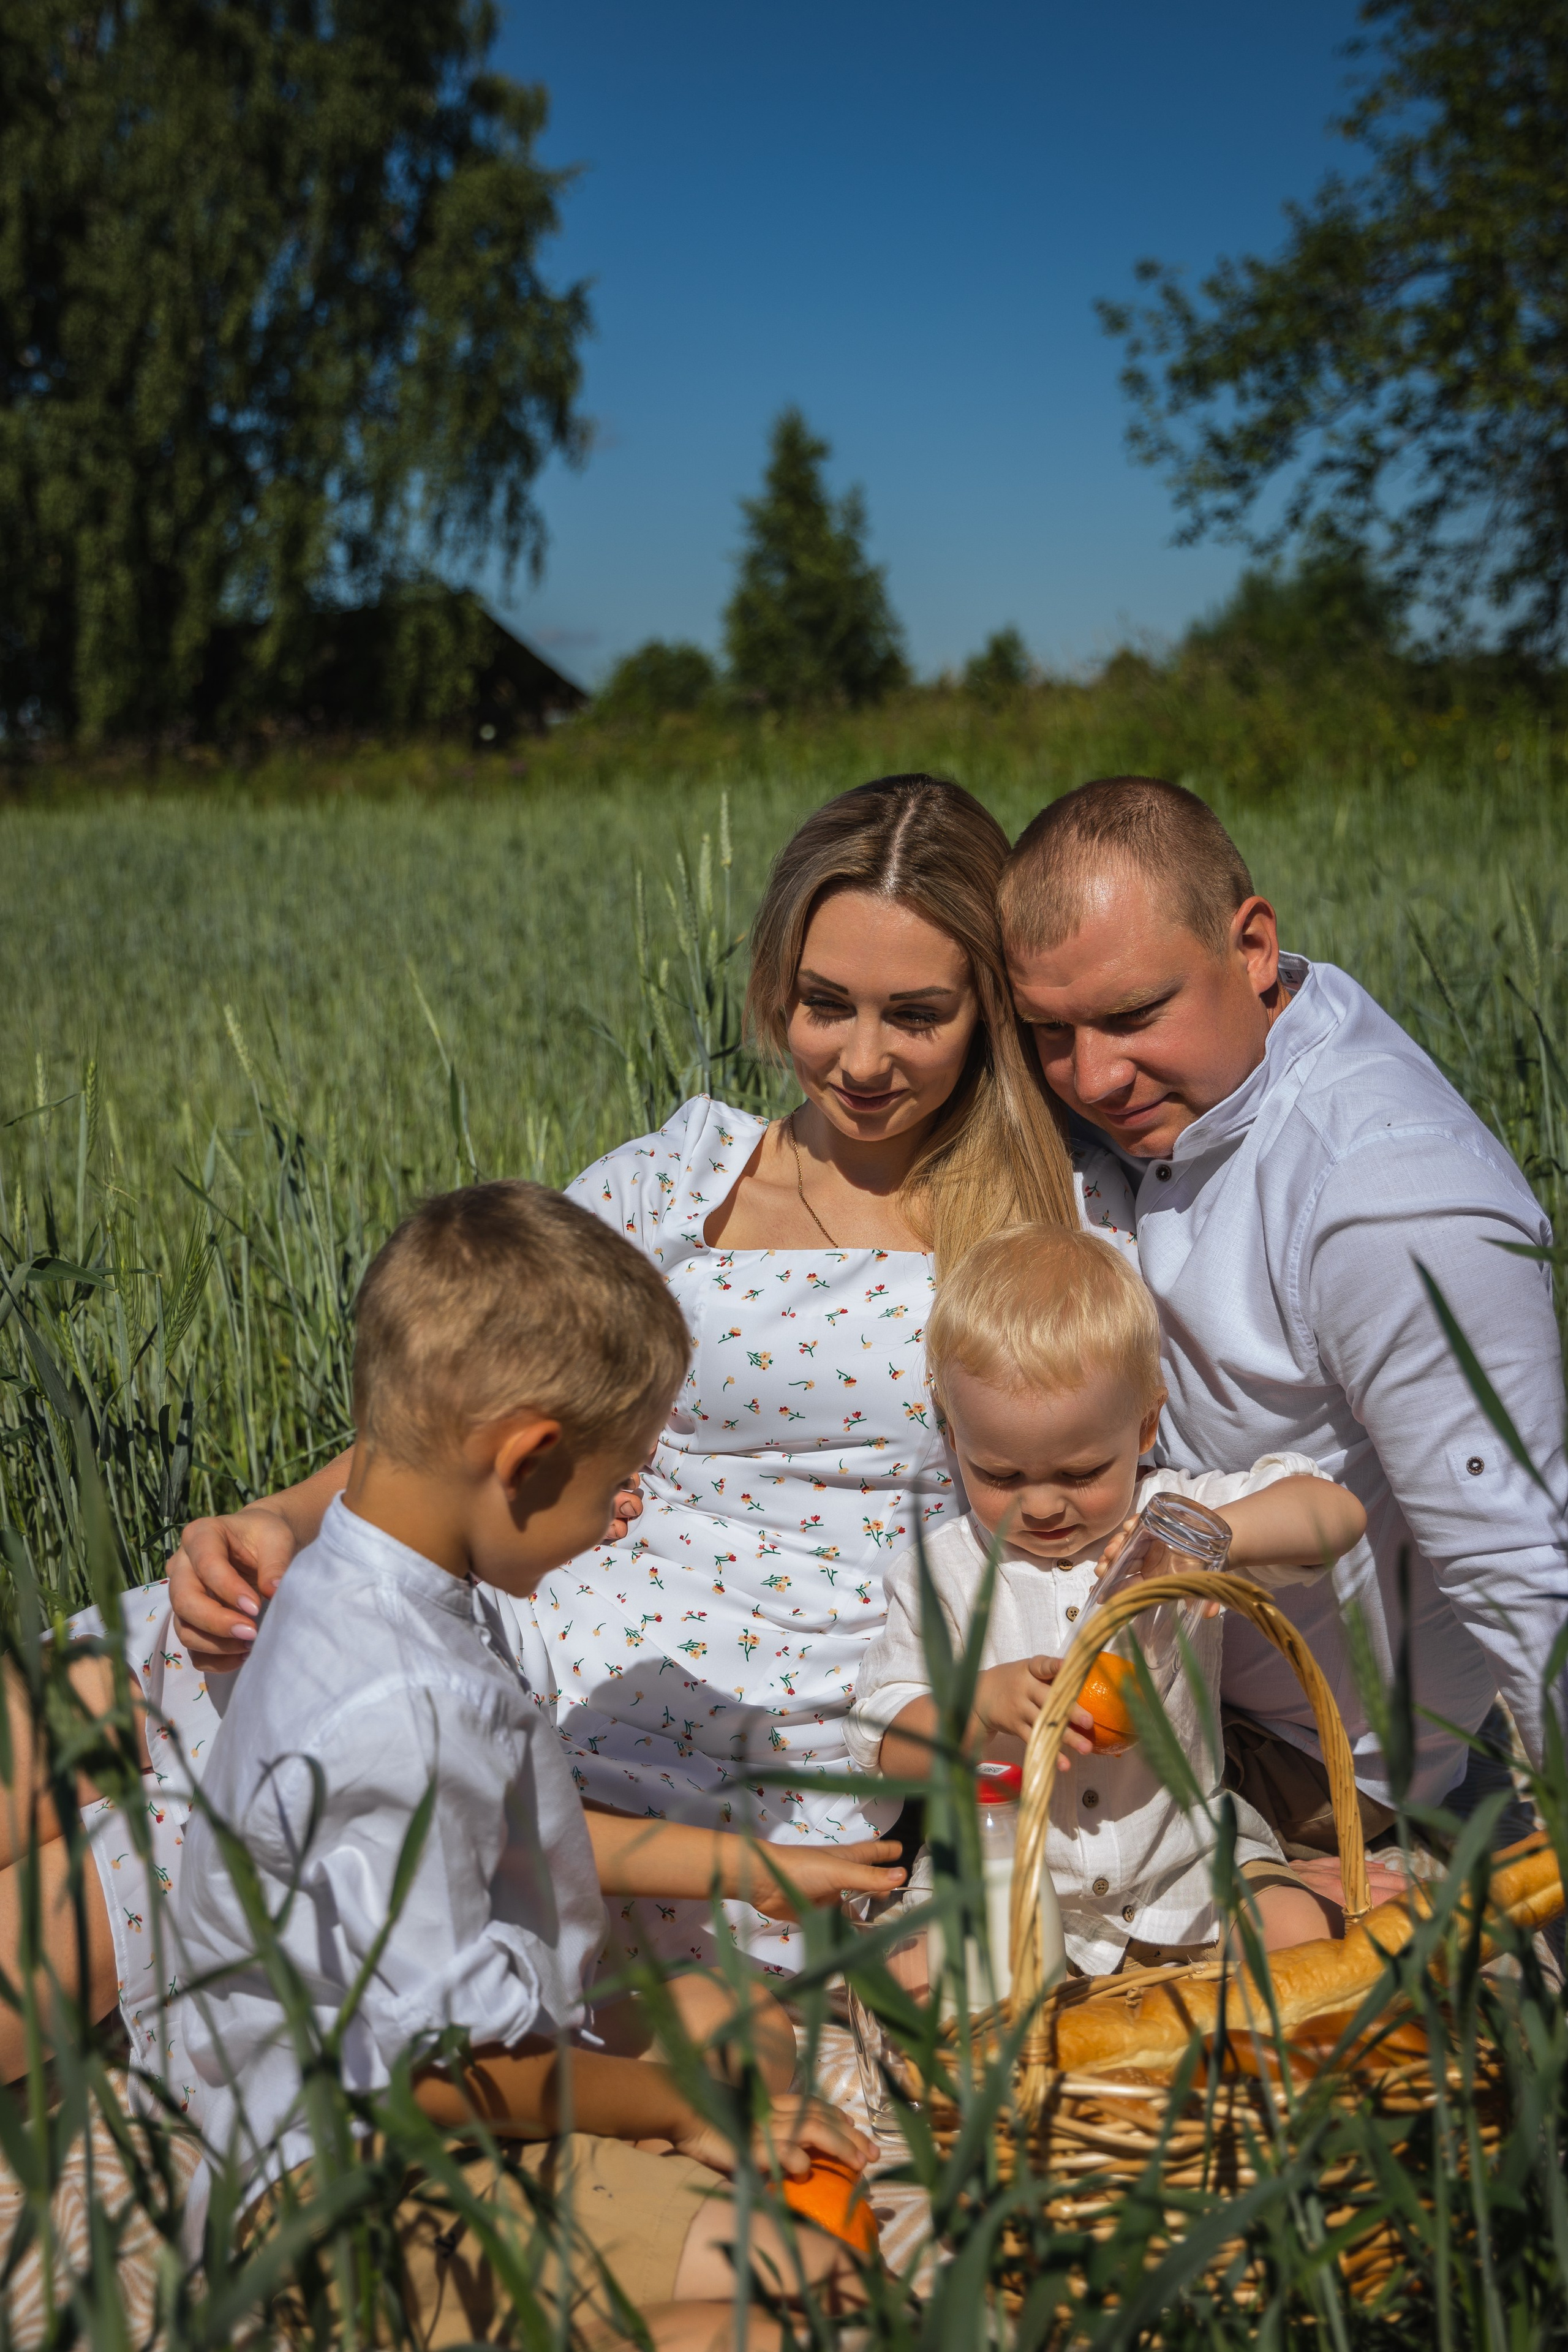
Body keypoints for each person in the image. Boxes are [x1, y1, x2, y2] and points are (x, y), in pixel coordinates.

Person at [164, 775, 1137, 1973]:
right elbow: (467, 1405)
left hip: (786, 1738)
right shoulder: (678, 1178)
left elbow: (1105, 1501)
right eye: (824, 1004)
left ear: (987, 1007)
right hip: (534, 1639)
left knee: (195, 1870)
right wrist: (276, 1519)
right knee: (141, 1678)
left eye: (917, 1014)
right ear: (776, 984)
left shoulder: (1040, 1235)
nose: (863, 1058)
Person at [175, 1178, 874, 2352]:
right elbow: (441, 2076)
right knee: (824, 2301)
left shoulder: (363, 1578)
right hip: (362, 2195)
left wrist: (746, 1868)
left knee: (722, 2007)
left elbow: (499, 1828)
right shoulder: (413, 1701)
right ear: (529, 1460)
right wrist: (675, 2106)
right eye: (617, 1485)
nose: (621, 1517)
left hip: (369, 2108)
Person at [998, 775, 1568, 1851]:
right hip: (1134, 1700)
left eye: (1131, 1016)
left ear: (1254, 948)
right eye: (1049, 1032)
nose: (1093, 1076)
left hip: (1300, 1767)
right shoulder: (1177, 1082)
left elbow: (1520, 1569)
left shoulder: (1391, 1198)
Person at [845, 1224, 1366, 1969]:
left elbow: (1335, 1515)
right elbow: (884, 1744)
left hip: (1182, 1857)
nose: (1044, 1506)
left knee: (1295, 1935)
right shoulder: (942, 1573)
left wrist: (1216, 1536)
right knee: (925, 1975)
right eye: (1000, 1476)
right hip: (1005, 1875)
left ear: (1146, 1424)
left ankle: (1244, 2065)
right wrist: (977, 1708)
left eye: (1083, 1471)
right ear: (954, 1440)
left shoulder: (1174, 1518)